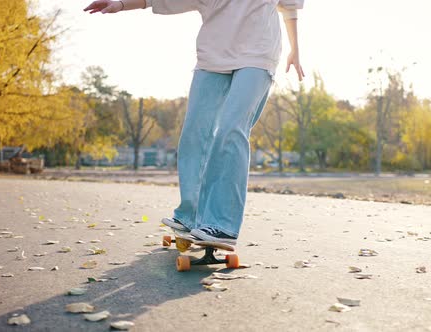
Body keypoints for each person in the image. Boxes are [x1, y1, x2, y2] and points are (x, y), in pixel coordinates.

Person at [84, 0, 304, 245]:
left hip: (257, 56)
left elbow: (290, 7)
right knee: (193, 135)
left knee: (231, 130)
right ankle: (191, 215)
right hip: (212, 59)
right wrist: (121, 4)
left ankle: (222, 225)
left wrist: (295, 49)